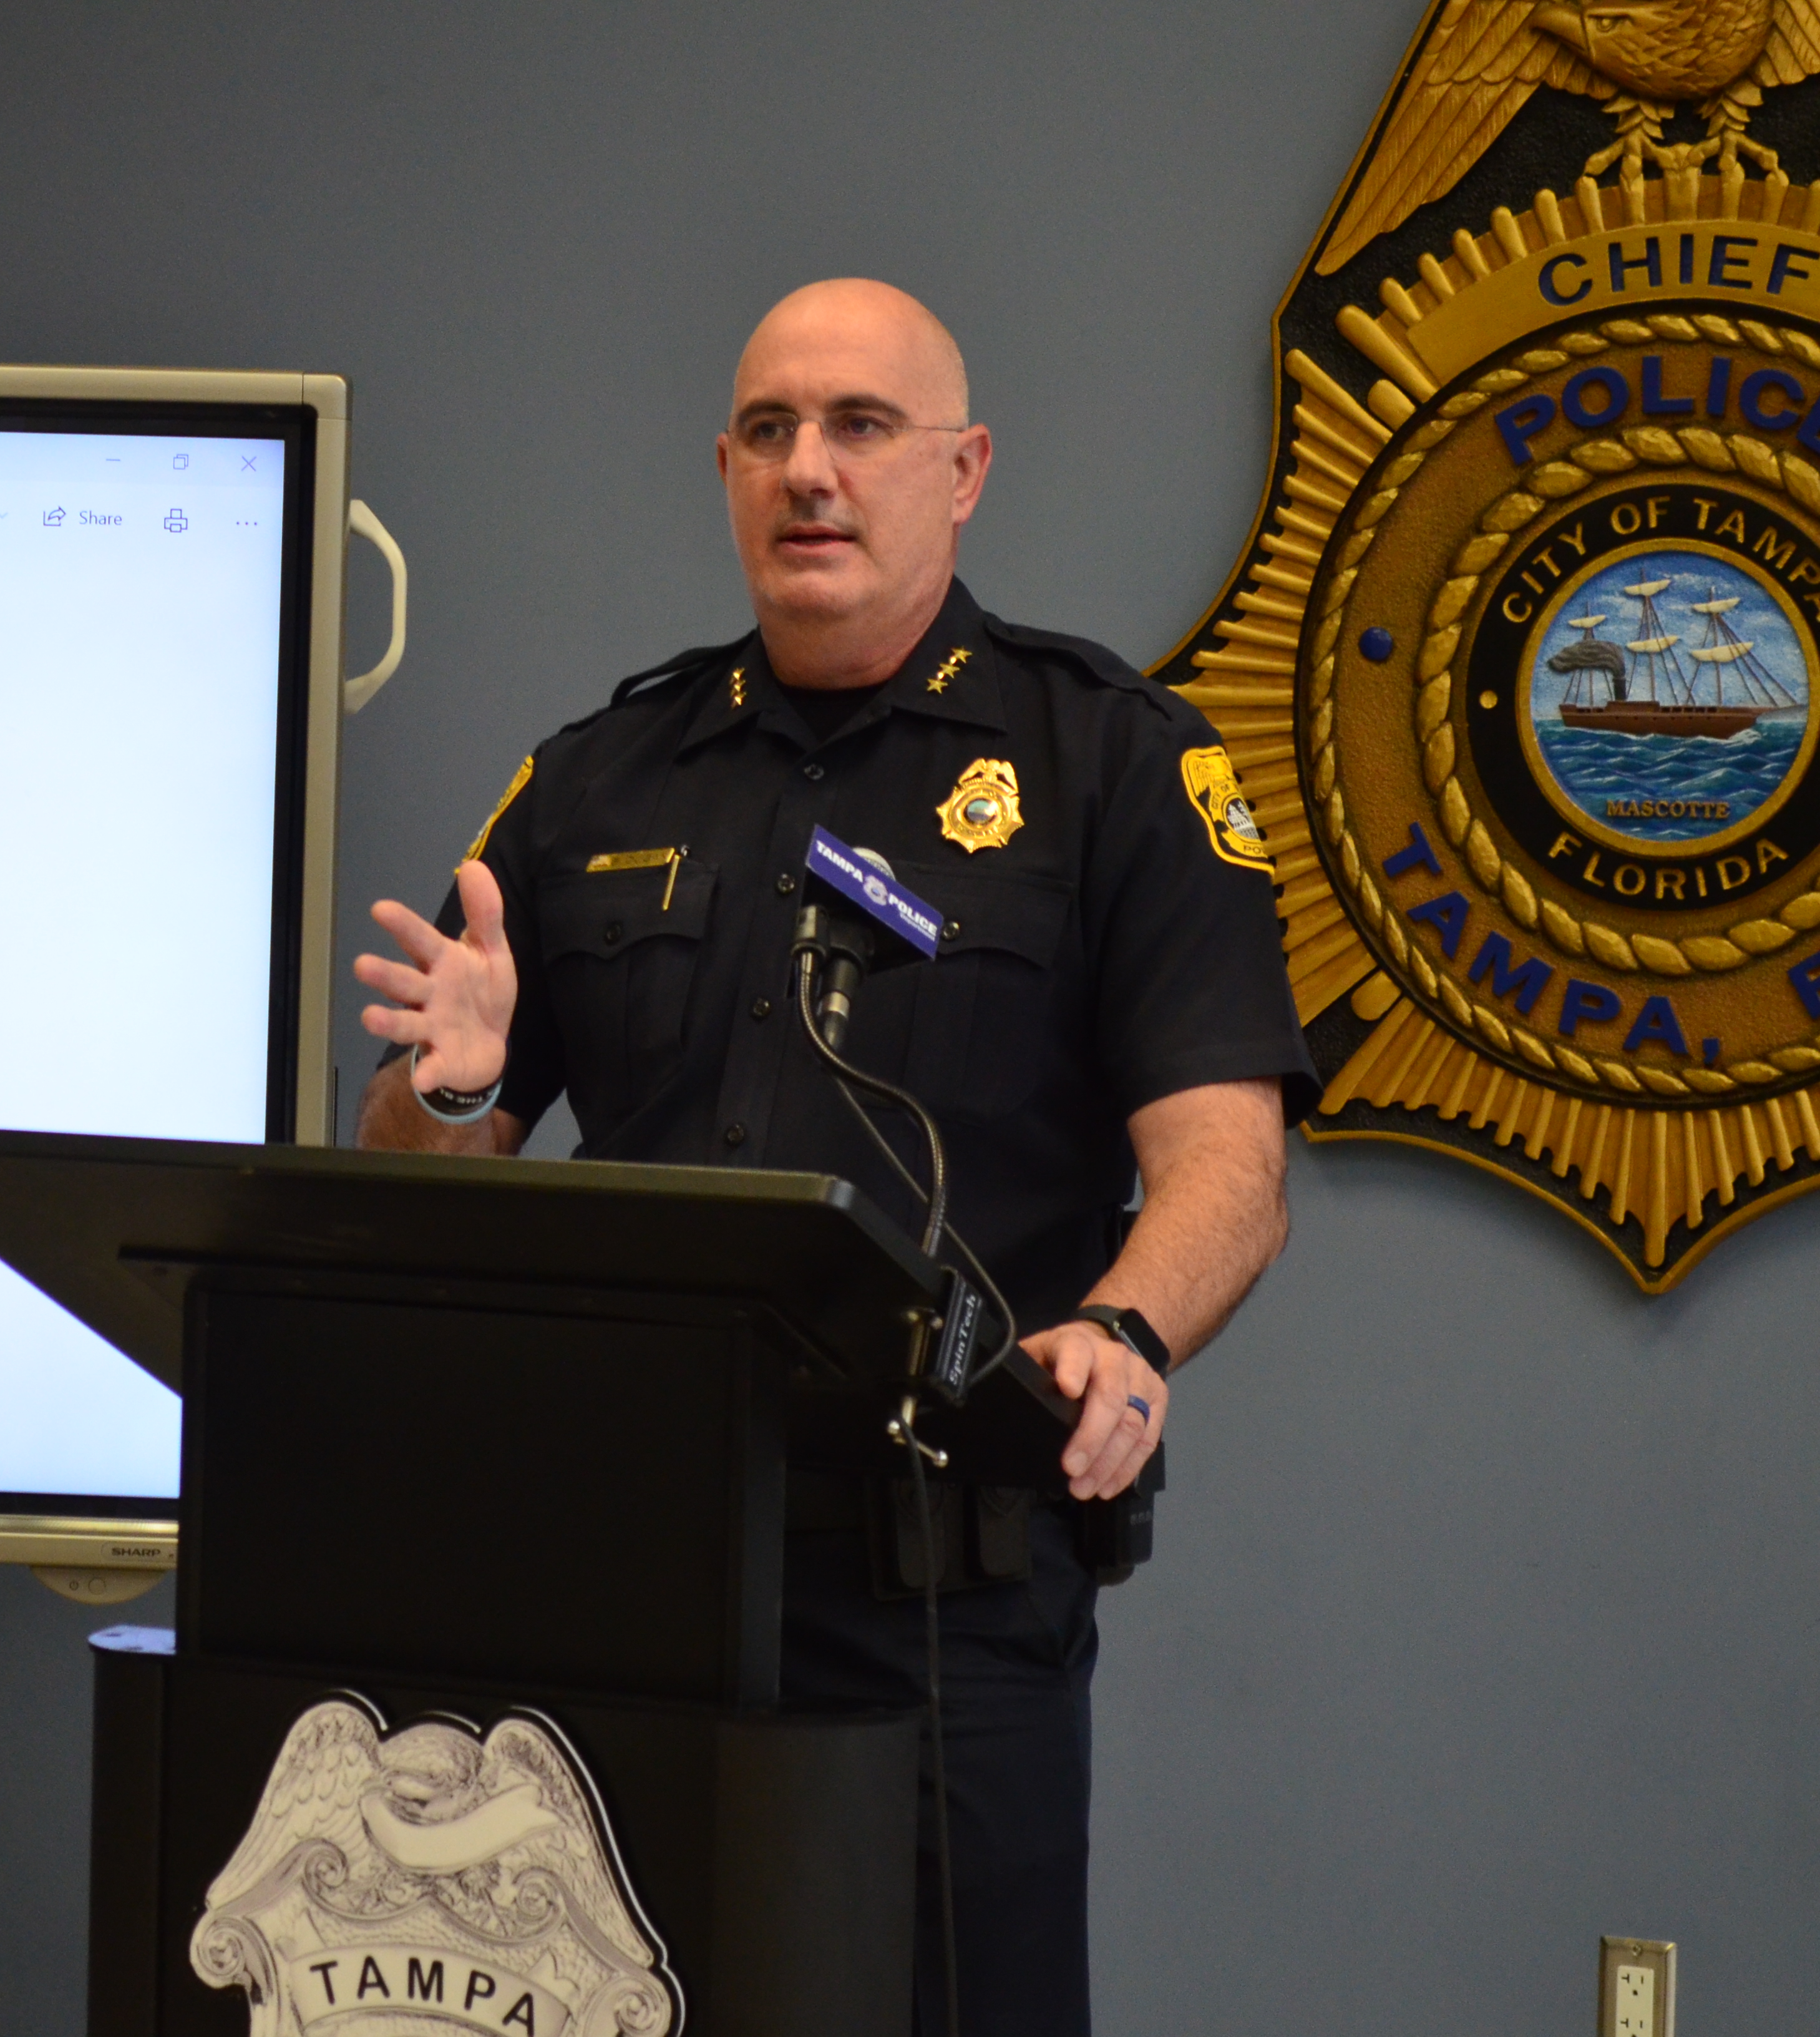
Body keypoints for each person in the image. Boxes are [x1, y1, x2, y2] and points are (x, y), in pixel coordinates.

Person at [352, 278, 1311, 2036]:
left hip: (938, 1592)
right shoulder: (592, 781)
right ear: (724, 469)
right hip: (630, 1585)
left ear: (965, 470)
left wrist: (1132, 1333)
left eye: (863, 427)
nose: (814, 471)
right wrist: (445, 1084)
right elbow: (417, 1169)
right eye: (773, 431)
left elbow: (1228, 1166)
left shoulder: (1112, 764)